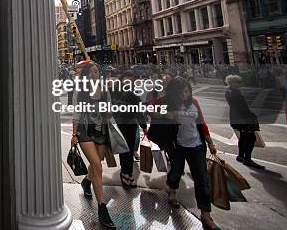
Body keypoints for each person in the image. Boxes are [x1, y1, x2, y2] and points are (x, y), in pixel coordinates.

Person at [150, 77, 220, 230]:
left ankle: (206, 215)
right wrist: (164, 114)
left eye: (187, 92)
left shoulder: (193, 102)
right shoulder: (165, 102)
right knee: (176, 172)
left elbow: (201, 122)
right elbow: (148, 109)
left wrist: (210, 142)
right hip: (177, 146)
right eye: (181, 93)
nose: (185, 95)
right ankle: (172, 189)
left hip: (197, 145)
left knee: (202, 180)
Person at [71, 63, 116, 229]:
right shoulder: (80, 90)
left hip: (101, 131)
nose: (94, 74)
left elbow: (109, 112)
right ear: (85, 75)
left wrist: (108, 110)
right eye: (90, 72)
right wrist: (74, 134)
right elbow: (76, 113)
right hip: (85, 131)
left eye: (96, 71)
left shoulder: (104, 90)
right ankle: (102, 208)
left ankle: (87, 181)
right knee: (97, 165)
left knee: (97, 164)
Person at [110, 70, 147, 188]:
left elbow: (138, 111)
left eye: (131, 80)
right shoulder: (113, 90)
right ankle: (125, 173)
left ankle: (128, 173)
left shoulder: (134, 93)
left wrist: (144, 126)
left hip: (131, 125)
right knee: (123, 150)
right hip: (118, 125)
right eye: (127, 79)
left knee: (129, 150)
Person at [225, 74, 264, 169]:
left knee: (243, 136)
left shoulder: (230, 91)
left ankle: (241, 155)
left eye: (240, 82)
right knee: (251, 137)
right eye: (237, 82)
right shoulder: (235, 93)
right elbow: (243, 109)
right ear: (232, 82)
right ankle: (247, 159)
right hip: (242, 118)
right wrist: (252, 116)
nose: (240, 84)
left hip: (236, 117)